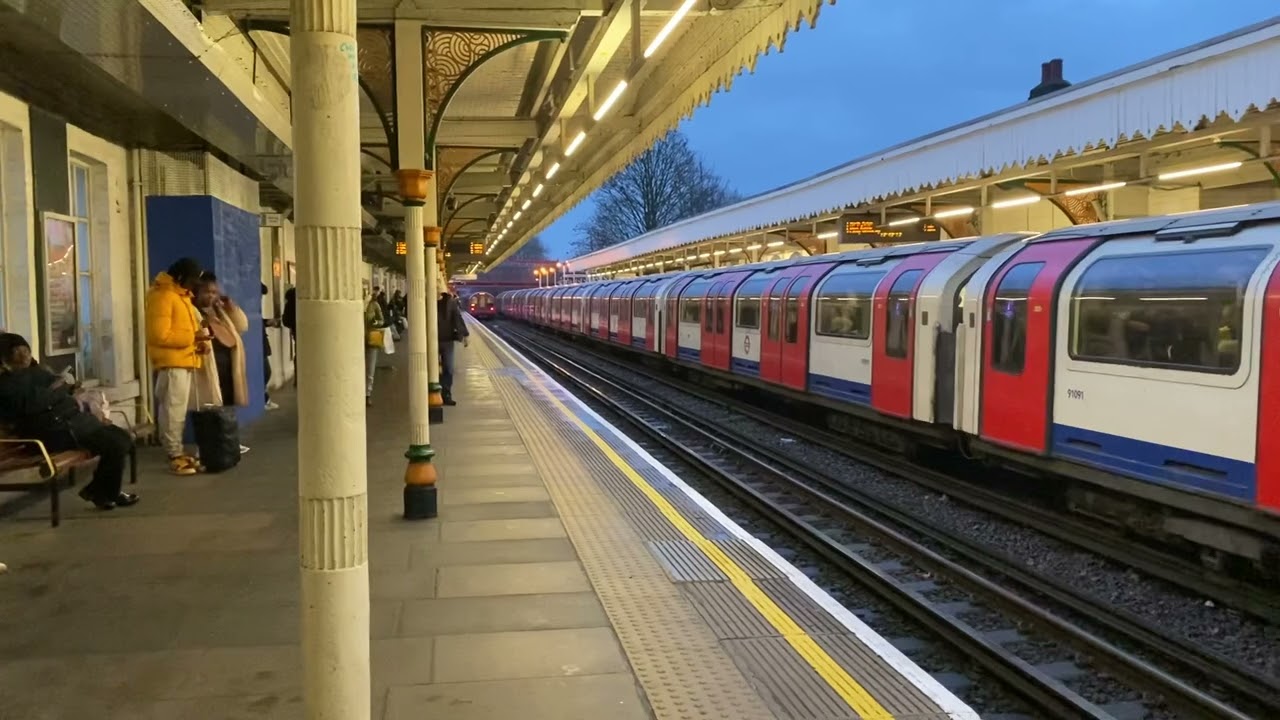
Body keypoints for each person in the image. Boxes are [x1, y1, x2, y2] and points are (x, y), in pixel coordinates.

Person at [0, 334, 139, 510]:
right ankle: (103, 492)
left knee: (123, 438)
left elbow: (55, 390)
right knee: (115, 443)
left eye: (25, 350)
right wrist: (57, 391)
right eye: (18, 352)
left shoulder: (36, 372)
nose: (24, 356)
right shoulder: (6, 384)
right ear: (6, 358)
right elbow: (33, 404)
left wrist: (64, 387)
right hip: (50, 433)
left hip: (71, 423)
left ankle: (100, 490)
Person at [146, 258, 206, 476]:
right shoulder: (163, 297)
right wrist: (193, 337)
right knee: (173, 411)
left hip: (182, 360)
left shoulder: (179, 297)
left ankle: (177, 451)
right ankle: (174, 455)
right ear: (180, 277)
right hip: (172, 364)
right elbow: (159, 335)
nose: (195, 286)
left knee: (175, 410)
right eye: (192, 280)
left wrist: (198, 343)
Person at [193, 273, 251, 454]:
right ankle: (207, 445)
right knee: (208, 407)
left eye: (214, 292)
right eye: (206, 292)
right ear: (197, 292)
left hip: (228, 363)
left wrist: (232, 308)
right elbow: (199, 331)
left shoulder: (220, 310)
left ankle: (229, 440)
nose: (210, 296)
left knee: (227, 402)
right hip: (209, 364)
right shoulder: (194, 311)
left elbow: (242, 326)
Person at [437, 290, 469, 406]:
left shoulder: (450, 302)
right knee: (432, 369)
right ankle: (434, 392)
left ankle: (446, 394)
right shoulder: (425, 301)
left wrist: (464, 335)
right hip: (430, 340)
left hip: (447, 340)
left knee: (448, 369)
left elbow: (457, 318)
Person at [364, 286, 384, 406]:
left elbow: (381, 320)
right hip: (358, 340)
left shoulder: (374, 305)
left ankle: (368, 394)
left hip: (372, 338)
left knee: (370, 369)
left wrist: (375, 323)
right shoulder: (357, 304)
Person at [261, 283, 279, 411]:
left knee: (266, 373)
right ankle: (263, 399)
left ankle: (265, 398)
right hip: (258, 344)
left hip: (261, 342)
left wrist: (267, 322)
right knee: (265, 373)